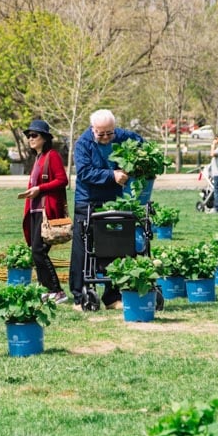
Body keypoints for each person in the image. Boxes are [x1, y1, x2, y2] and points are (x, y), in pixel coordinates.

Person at [69, 109, 143, 310]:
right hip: (88, 201)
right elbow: (84, 172)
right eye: (101, 134)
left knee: (115, 246)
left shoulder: (120, 135)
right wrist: (112, 175)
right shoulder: (83, 144)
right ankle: (79, 296)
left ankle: (112, 297)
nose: (106, 137)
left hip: (114, 200)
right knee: (82, 249)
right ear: (93, 129)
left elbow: (140, 142)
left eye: (109, 133)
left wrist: (137, 160)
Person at [21, 120, 68, 304]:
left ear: (45, 138)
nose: (30, 139)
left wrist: (40, 189)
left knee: (39, 251)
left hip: (45, 211)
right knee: (36, 251)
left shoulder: (52, 155)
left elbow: (62, 180)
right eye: (28, 136)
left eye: (34, 135)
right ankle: (47, 290)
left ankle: (57, 291)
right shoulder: (38, 158)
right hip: (35, 210)